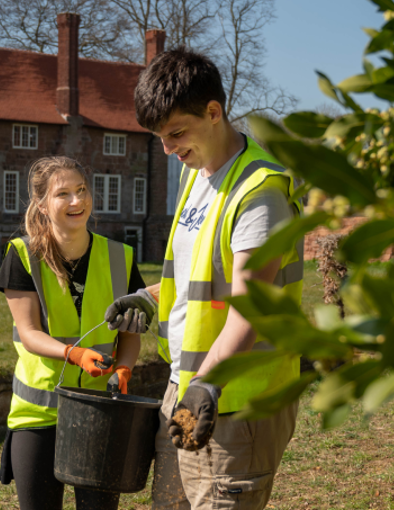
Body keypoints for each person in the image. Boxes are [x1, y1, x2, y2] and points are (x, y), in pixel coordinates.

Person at [104, 48, 304, 509]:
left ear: (214, 112)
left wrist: (207, 384)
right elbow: (202, 277)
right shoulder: (196, 175)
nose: (169, 150)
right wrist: (151, 299)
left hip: (235, 402)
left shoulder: (259, 193)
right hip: (187, 387)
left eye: (176, 133)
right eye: (160, 138)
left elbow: (250, 305)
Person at [0, 155, 146, 510]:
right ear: (42, 205)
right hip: (38, 414)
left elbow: (129, 335)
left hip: (101, 412)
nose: (77, 201)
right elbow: (29, 332)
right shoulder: (23, 255)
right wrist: (73, 353)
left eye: (81, 190)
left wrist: (124, 368)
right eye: (63, 194)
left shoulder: (120, 256)